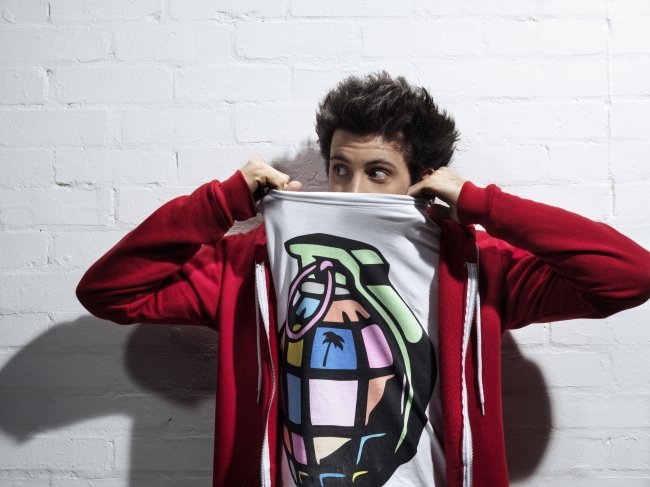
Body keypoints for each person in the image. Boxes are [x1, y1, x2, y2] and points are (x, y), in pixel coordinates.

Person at [76, 72, 650, 487]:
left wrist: (481, 203)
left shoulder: (476, 265)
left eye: (378, 172)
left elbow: (628, 276)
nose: (352, 191)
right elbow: (110, 292)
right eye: (339, 169)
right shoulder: (255, 261)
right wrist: (220, 204)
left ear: (422, 178)